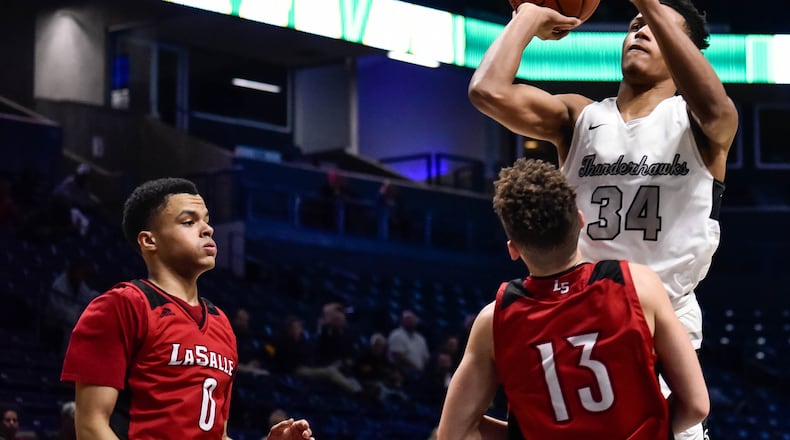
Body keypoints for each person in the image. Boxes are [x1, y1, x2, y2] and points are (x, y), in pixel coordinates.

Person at [468, 1, 738, 438]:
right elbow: (487, 91)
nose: (642, 30)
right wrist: (529, 17)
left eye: (658, 27)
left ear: (685, 52)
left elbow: (714, 104)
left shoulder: (701, 122)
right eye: (635, 24)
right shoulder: (581, 117)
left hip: (661, 334)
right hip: (578, 324)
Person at [436, 159, 708, 439]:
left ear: (513, 249)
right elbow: (697, 405)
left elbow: (454, 433)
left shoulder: (494, 320)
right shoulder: (639, 285)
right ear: (580, 221)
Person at [60, 177, 314, 440]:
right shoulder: (121, 306)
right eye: (189, 222)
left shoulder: (221, 323)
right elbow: (91, 426)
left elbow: (218, 435)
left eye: (206, 220)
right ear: (149, 241)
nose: (207, 229)